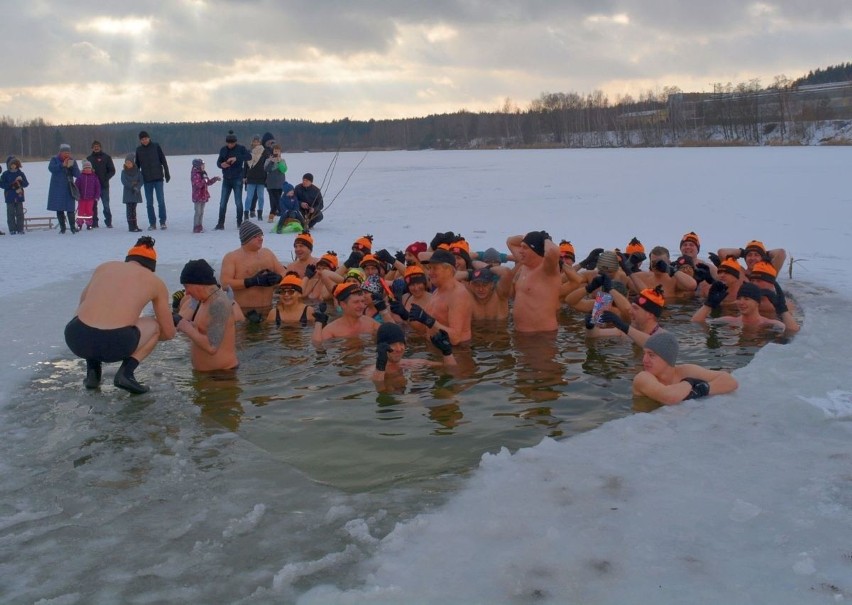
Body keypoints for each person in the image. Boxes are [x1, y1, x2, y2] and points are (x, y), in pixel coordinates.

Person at [63, 236, 176, 394]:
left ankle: (93, 372)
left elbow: (82, 302)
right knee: (155, 326)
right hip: (115, 343)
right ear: (151, 267)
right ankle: (126, 373)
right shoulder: (155, 282)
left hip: (76, 337)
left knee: (88, 310)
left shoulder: (104, 267)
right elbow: (169, 333)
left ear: (128, 259)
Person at [632, 331, 738, 405]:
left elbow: (730, 381)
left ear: (667, 358)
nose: (644, 360)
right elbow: (668, 397)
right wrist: (689, 383)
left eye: (651, 355)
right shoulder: (643, 378)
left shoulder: (685, 371)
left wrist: (701, 390)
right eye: (644, 354)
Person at [394, 249, 473, 345]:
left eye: (434, 268)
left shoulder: (458, 295)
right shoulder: (437, 292)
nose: (430, 273)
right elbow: (424, 329)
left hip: (457, 353)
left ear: (448, 270)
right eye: (429, 268)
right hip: (435, 349)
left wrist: (429, 320)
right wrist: (404, 314)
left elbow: (455, 338)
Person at [174, 259, 239, 371]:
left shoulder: (219, 303)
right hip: (207, 378)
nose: (187, 293)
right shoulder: (206, 300)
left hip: (222, 377)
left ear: (199, 284)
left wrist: (186, 327)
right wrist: (189, 325)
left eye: (186, 286)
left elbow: (212, 347)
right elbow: (204, 330)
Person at [218, 221, 286, 322]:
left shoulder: (267, 254)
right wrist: (252, 281)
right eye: (256, 236)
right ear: (246, 239)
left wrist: (279, 278)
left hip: (268, 310)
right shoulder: (232, 257)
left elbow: (285, 272)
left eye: (261, 235)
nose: (261, 238)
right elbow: (225, 284)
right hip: (243, 312)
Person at [506, 230, 562, 332]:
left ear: (535, 251)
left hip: (542, 335)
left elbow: (553, 252)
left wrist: (545, 239)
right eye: (521, 246)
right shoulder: (525, 264)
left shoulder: (547, 270)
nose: (520, 251)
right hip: (520, 334)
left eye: (525, 248)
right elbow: (510, 241)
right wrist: (528, 238)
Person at [371, 322, 457, 388]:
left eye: (401, 343)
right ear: (381, 346)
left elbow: (451, 369)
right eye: (393, 344)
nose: (399, 348)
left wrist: (447, 352)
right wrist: (380, 366)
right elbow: (379, 389)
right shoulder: (370, 372)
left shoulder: (412, 363)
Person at [691, 281, 793, 331]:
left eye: (747, 299)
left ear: (757, 303)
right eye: (739, 298)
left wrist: (783, 310)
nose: (741, 302)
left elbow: (792, 331)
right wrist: (708, 305)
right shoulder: (730, 320)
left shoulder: (769, 323)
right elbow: (695, 322)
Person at [586, 285, 666, 346]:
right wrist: (590, 326)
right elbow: (594, 335)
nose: (630, 311)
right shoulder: (625, 332)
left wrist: (623, 326)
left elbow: (653, 344)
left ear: (650, 315)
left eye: (635, 308)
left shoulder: (664, 337)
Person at [312, 282, 380, 345]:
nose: (362, 306)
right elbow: (318, 347)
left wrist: (384, 311)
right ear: (343, 304)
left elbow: (389, 334)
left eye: (362, 301)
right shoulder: (331, 330)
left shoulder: (371, 323)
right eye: (356, 302)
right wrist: (318, 322)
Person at [214, 130, 252, 230]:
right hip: (226, 179)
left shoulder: (241, 148)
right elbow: (218, 162)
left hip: (237, 179)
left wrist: (236, 158)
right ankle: (220, 224)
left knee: (238, 202)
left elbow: (249, 156)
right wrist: (221, 165)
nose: (230, 145)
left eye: (232, 143)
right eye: (228, 143)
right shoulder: (223, 150)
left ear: (235, 142)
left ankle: (240, 223)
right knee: (222, 202)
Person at [135, 131, 170, 230]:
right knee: (149, 203)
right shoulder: (139, 150)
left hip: (158, 178)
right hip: (147, 180)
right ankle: (152, 223)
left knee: (161, 201)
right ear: (140, 141)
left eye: (146, 138)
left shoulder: (156, 146)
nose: (144, 141)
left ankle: (162, 222)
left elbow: (163, 160)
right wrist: (135, 178)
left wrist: (167, 172)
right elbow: (137, 165)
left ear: (149, 138)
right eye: (142, 139)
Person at [47, 143, 81, 234]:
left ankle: (73, 227)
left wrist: (73, 167)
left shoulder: (72, 160)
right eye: (65, 152)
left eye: (68, 153)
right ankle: (63, 228)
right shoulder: (54, 160)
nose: (67, 154)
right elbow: (51, 168)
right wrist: (62, 165)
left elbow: (77, 174)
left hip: (69, 187)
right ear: (60, 153)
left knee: (70, 208)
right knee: (59, 208)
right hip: (57, 187)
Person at [86, 140, 116, 228]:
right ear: (92, 148)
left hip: (104, 186)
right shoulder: (89, 159)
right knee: (93, 206)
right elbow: (86, 171)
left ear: (100, 147)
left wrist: (106, 179)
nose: (96, 148)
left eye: (98, 146)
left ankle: (108, 222)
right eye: (94, 146)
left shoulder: (106, 157)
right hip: (93, 187)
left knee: (106, 205)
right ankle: (94, 223)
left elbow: (112, 170)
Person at [717, 239, 787, 274]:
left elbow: (781, 253)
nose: (752, 258)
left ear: (763, 258)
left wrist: (765, 253)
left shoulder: (768, 273)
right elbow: (722, 252)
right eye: (749, 255)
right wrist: (742, 252)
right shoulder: (740, 273)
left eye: (757, 255)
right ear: (745, 258)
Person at [190, 158, 221, 233]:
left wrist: (215, 179)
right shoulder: (195, 174)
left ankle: (200, 226)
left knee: (201, 212)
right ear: (197, 166)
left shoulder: (203, 173)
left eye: (204, 165)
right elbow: (198, 185)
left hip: (203, 195)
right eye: (202, 165)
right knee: (198, 212)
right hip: (197, 196)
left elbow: (208, 182)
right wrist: (204, 180)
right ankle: (196, 226)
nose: (203, 167)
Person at [243, 134, 269, 220]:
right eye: (254, 141)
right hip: (251, 177)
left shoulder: (264, 152)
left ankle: (260, 214)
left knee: (261, 197)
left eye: (257, 141)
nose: (256, 143)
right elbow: (246, 165)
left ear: (260, 142)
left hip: (261, 177)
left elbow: (267, 164)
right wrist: (244, 176)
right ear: (252, 142)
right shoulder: (249, 152)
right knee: (249, 197)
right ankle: (246, 214)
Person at [1, 156, 28, 235]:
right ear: (8, 165)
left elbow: (26, 183)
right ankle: (12, 229)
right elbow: (2, 184)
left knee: (20, 213)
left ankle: (20, 229)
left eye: (15, 164)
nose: (13, 166)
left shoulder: (20, 173)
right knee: (10, 213)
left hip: (19, 196)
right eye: (11, 164)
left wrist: (21, 183)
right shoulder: (5, 174)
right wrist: (11, 185)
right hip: (9, 196)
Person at [74, 161, 101, 231]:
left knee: (89, 211)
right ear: (83, 169)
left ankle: (89, 224)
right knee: (81, 211)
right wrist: (77, 195)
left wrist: (97, 196)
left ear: (91, 168)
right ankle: (79, 224)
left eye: (89, 168)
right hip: (81, 198)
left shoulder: (94, 177)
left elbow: (98, 188)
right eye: (86, 168)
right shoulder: (80, 177)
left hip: (90, 198)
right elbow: (76, 186)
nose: (87, 169)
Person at [264, 143, 287, 222]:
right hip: (270, 183)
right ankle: (281, 212)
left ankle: (272, 214)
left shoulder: (283, 161)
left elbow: (283, 170)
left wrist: (279, 162)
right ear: (272, 151)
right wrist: (272, 162)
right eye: (275, 150)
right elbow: (267, 170)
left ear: (280, 152)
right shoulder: (268, 160)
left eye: (278, 151)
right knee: (274, 199)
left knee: (277, 198)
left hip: (280, 183)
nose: (276, 152)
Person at [120, 153, 143, 232]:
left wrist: (138, 187)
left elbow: (141, 180)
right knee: (129, 210)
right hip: (128, 193)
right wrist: (132, 186)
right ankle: (131, 226)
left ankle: (135, 225)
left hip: (135, 193)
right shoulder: (123, 172)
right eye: (126, 163)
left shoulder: (137, 171)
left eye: (129, 163)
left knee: (134, 210)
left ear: (133, 163)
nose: (128, 164)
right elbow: (124, 182)